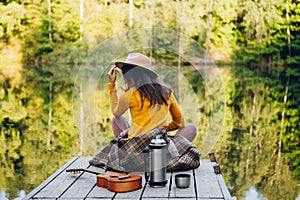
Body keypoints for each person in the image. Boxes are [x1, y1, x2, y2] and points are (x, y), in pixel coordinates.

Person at [107, 52, 197, 142]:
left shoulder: (129, 95)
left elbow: (116, 112)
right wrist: (160, 128)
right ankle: (170, 153)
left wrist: (112, 85)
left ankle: (127, 151)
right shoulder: (167, 92)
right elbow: (179, 123)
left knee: (117, 119)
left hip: (136, 145)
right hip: (159, 144)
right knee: (191, 128)